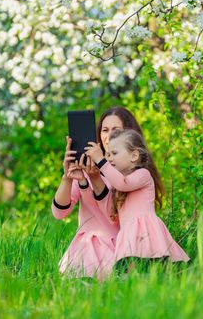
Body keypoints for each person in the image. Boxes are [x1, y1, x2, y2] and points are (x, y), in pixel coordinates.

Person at [51, 106, 143, 279]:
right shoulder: (85, 168)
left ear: (129, 134)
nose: (109, 136)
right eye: (105, 130)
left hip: (119, 247)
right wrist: (67, 177)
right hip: (85, 247)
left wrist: (94, 179)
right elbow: (59, 213)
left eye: (116, 130)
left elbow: (113, 217)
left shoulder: (131, 174)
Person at [82, 128, 190, 273]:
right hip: (129, 235)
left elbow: (123, 183)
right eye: (107, 155)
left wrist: (101, 161)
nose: (109, 158)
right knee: (132, 273)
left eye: (114, 153)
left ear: (134, 156)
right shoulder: (117, 185)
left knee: (154, 268)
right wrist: (87, 179)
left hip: (146, 232)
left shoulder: (143, 175)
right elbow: (111, 214)